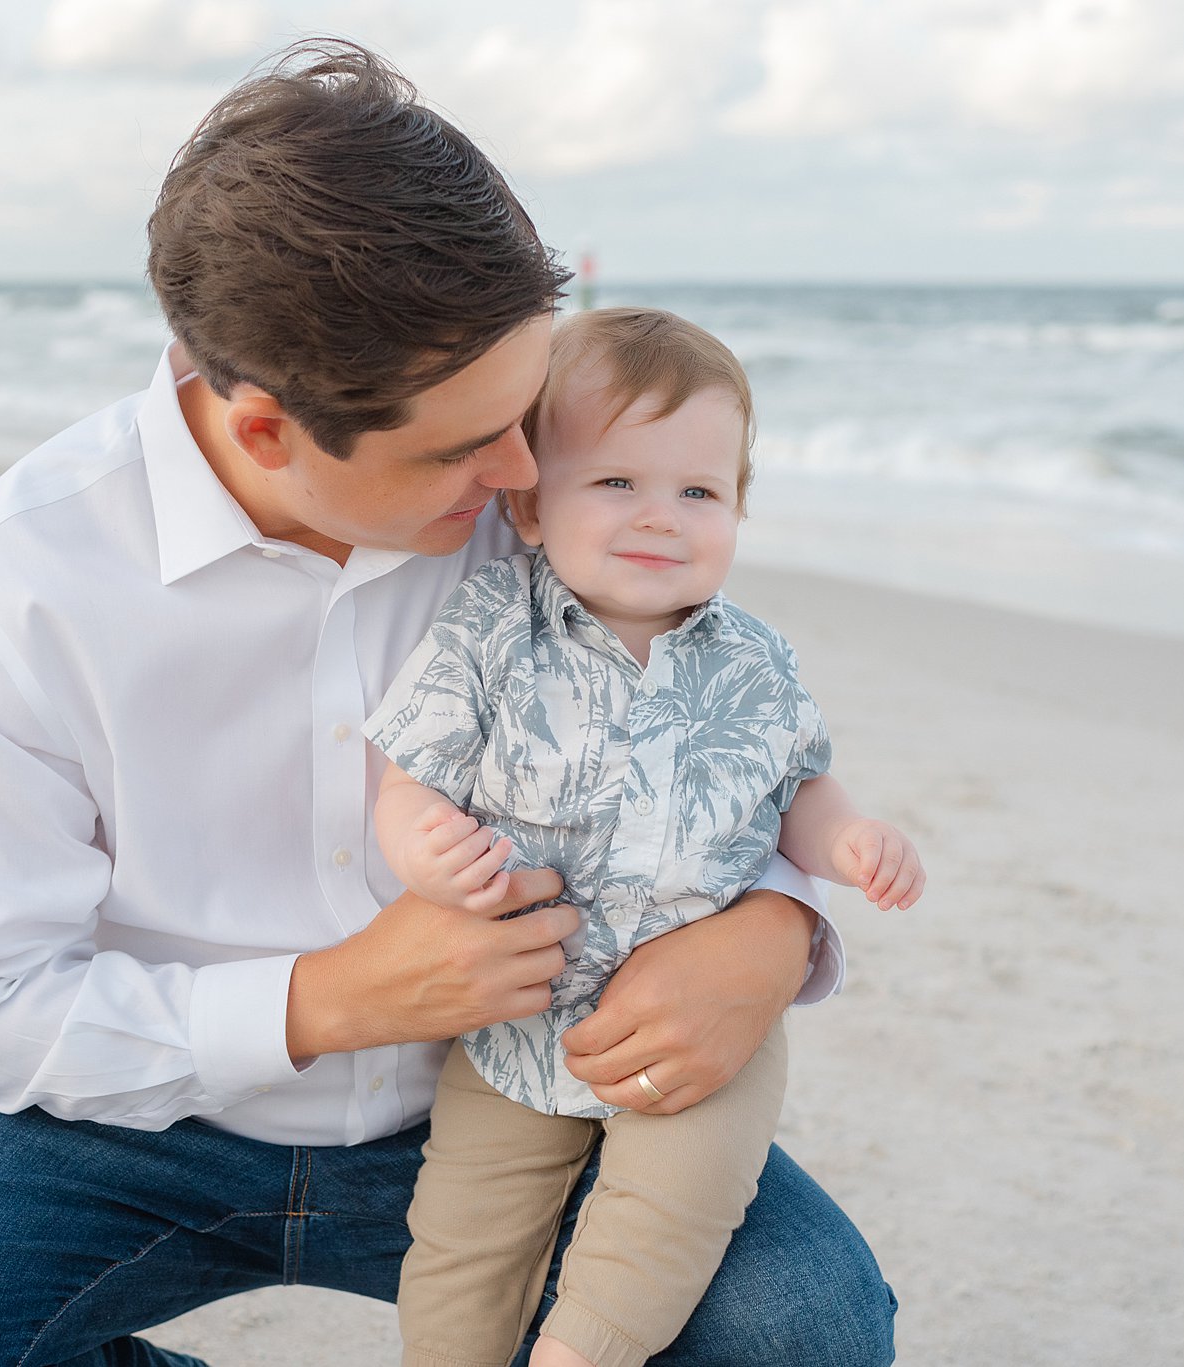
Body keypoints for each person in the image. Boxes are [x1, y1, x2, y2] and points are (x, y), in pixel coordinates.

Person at [0, 40, 897, 1367]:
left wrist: (772, 933)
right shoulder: (18, 582)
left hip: (518, 1089)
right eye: (462, 444)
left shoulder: (544, 501)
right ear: (269, 426)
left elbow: (732, 736)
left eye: (523, 412)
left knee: (800, 1326)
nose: (522, 469)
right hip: (132, 1116)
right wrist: (325, 999)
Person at [369, 308, 923, 1367]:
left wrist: (846, 837)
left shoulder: (752, 657)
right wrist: (422, 844)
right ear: (529, 504)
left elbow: (798, 782)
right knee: (462, 1238)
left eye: (698, 491)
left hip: (701, 1031)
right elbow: (408, 774)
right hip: (514, 1024)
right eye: (616, 482)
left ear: (737, 508)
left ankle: (582, 1353)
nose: (659, 516)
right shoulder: (491, 623)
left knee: (669, 1210)